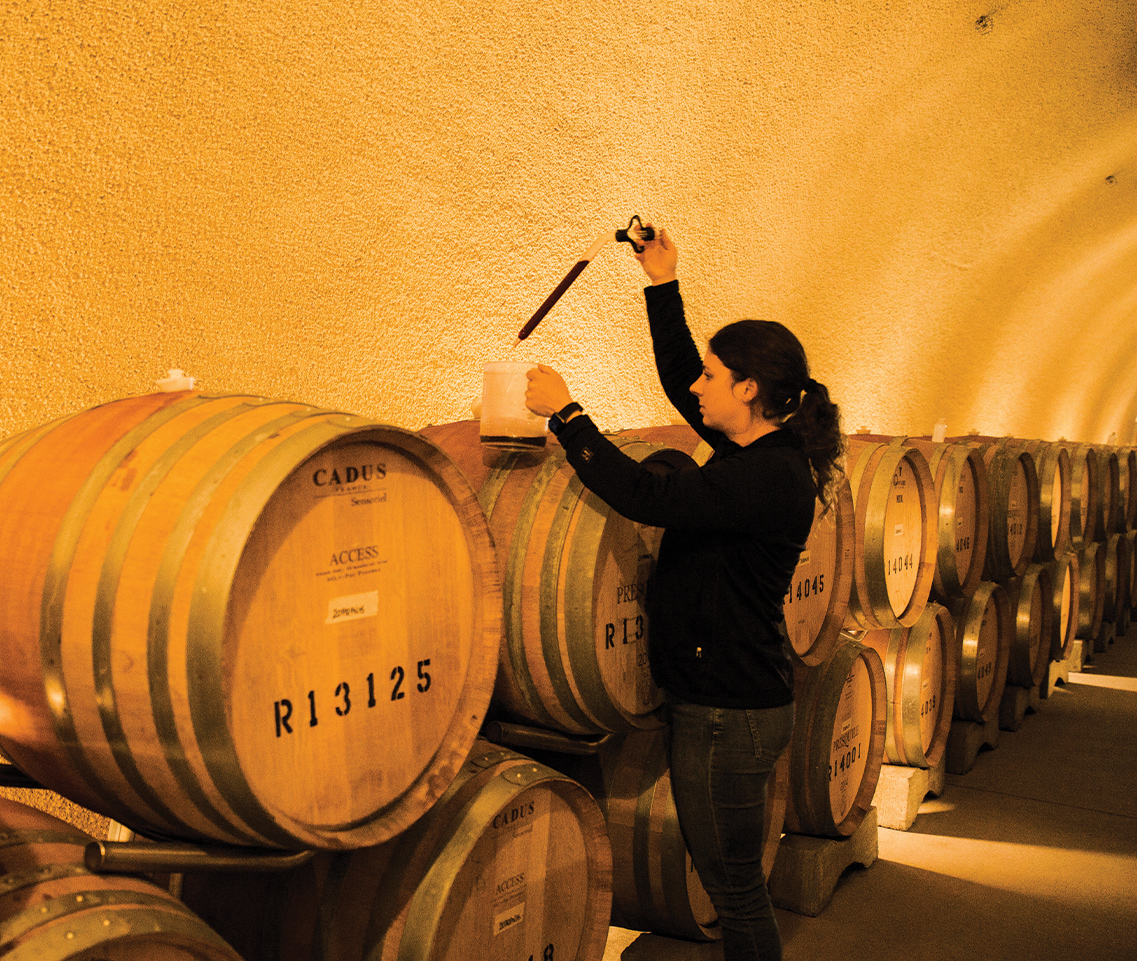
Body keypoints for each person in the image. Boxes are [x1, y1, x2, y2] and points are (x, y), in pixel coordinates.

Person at [525, 227, 844, 961]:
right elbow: (678, 378)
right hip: (733, 701)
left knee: (732, 886)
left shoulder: (762, 475)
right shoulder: (762, 450)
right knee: (729, 876)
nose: (695, 387)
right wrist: (661, 282)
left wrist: (566, 415)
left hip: (727, 712)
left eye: (711, 375)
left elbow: (643, 491)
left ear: (748, 389)